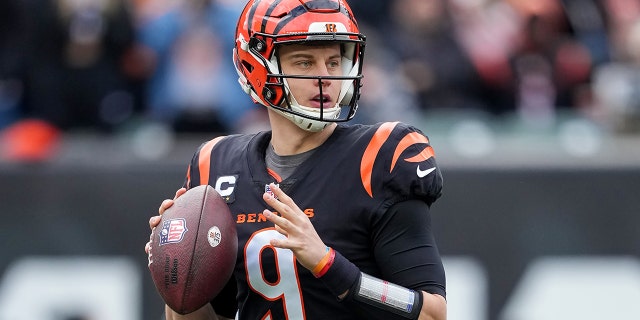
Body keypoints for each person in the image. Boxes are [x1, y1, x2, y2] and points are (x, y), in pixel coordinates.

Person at [145, 0, 447, 319]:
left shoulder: (381, 155)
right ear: (255, 66)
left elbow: (432, 313)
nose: (326, 76)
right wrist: (177, 272)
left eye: (334, 61)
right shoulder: (215, 163)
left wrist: (327, 263)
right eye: (304, 62)